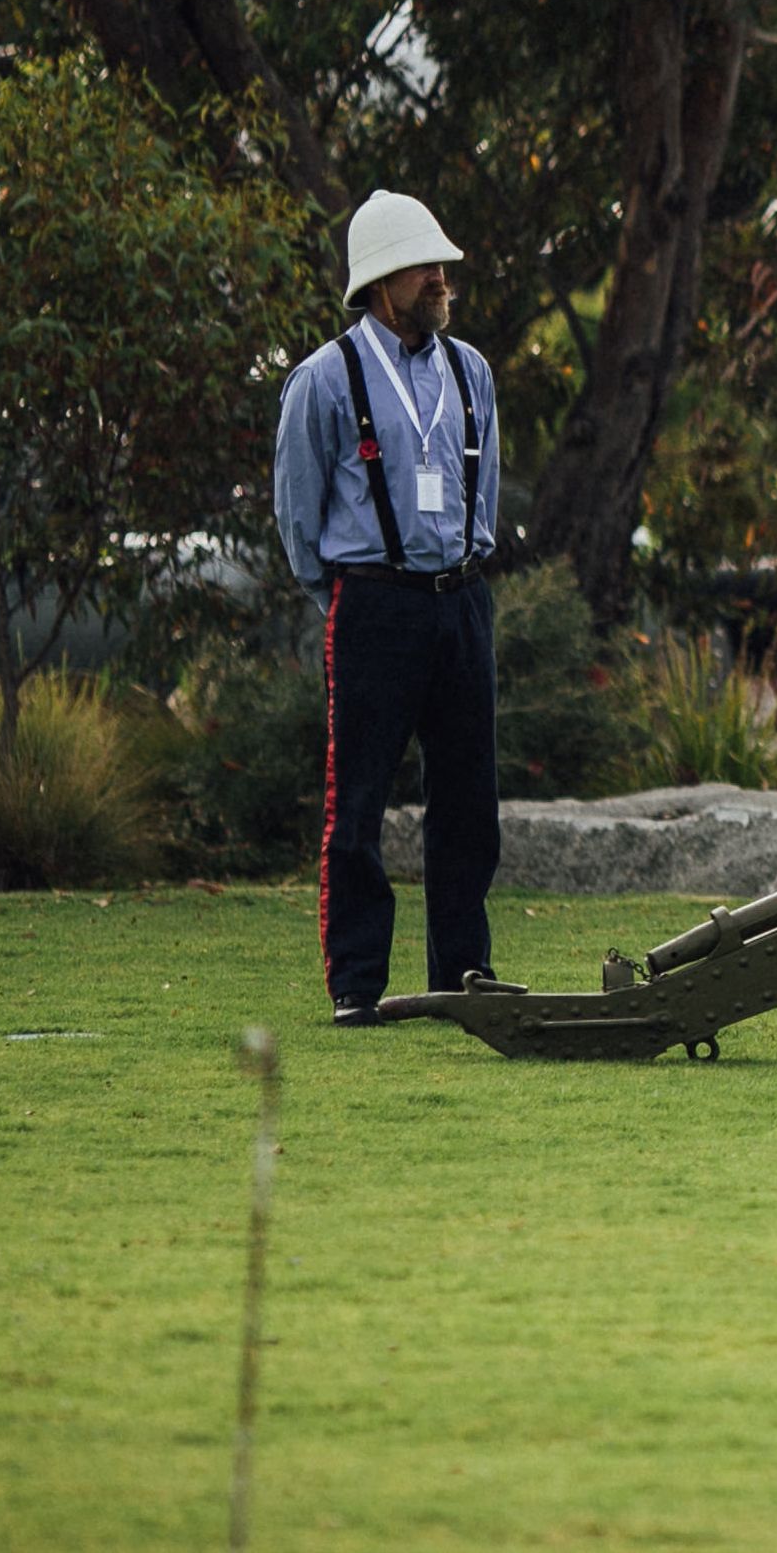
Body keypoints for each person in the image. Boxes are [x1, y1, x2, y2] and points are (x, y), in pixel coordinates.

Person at [272, 190, 502, 1026]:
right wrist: (344, 596)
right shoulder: (324, 378)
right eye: (421, 267)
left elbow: (486, 493)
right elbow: (298, 514)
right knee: (358, 801)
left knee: (469, 801)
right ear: (379, 283)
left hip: (461, 602)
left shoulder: (471, 372)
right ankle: (357, 985)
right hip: (373, 606)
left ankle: (463, 975)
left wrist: (467, 571)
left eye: (439, 263)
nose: (439, 277)